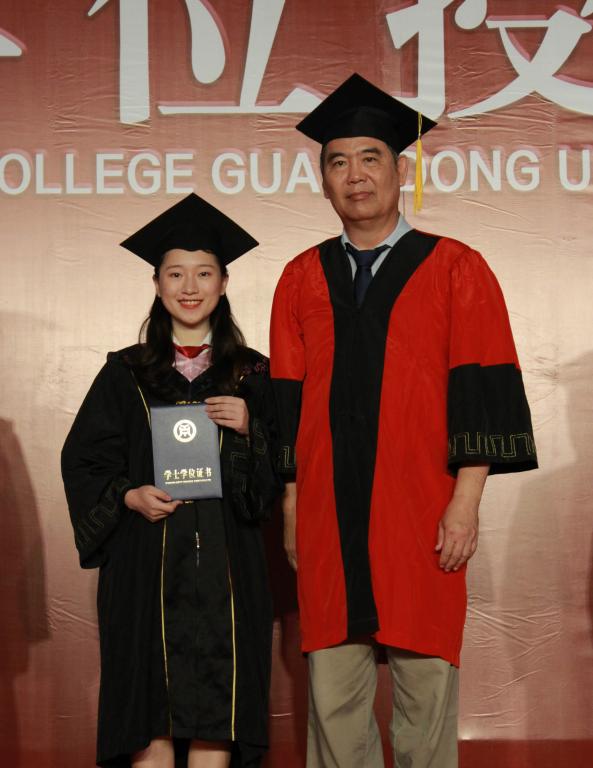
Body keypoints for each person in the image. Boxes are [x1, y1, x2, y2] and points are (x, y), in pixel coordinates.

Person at [269, 73, 537, 768]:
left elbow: (480, 390)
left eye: (370, 158)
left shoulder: (456, 268)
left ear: (401, 170)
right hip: (328, 514)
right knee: (333, 698)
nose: (354, 175)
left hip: (422, 509)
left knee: (425, 692)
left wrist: (464, 502)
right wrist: (293, 505)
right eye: (338, 162)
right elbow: (288, 399)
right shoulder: (300, 277)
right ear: (323, 181)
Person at [62, 193, 282, 768]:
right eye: (175, 273)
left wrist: (251, 428)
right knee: (149, 721)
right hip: (145, 565)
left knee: (217, 722)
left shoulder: (253, 373)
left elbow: (276, 481)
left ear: (224, 283)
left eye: (204, 273)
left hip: (227, 569)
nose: (190, 286)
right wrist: (128, 495)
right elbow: (84, 461)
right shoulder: (125, 371)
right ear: (157, 284)